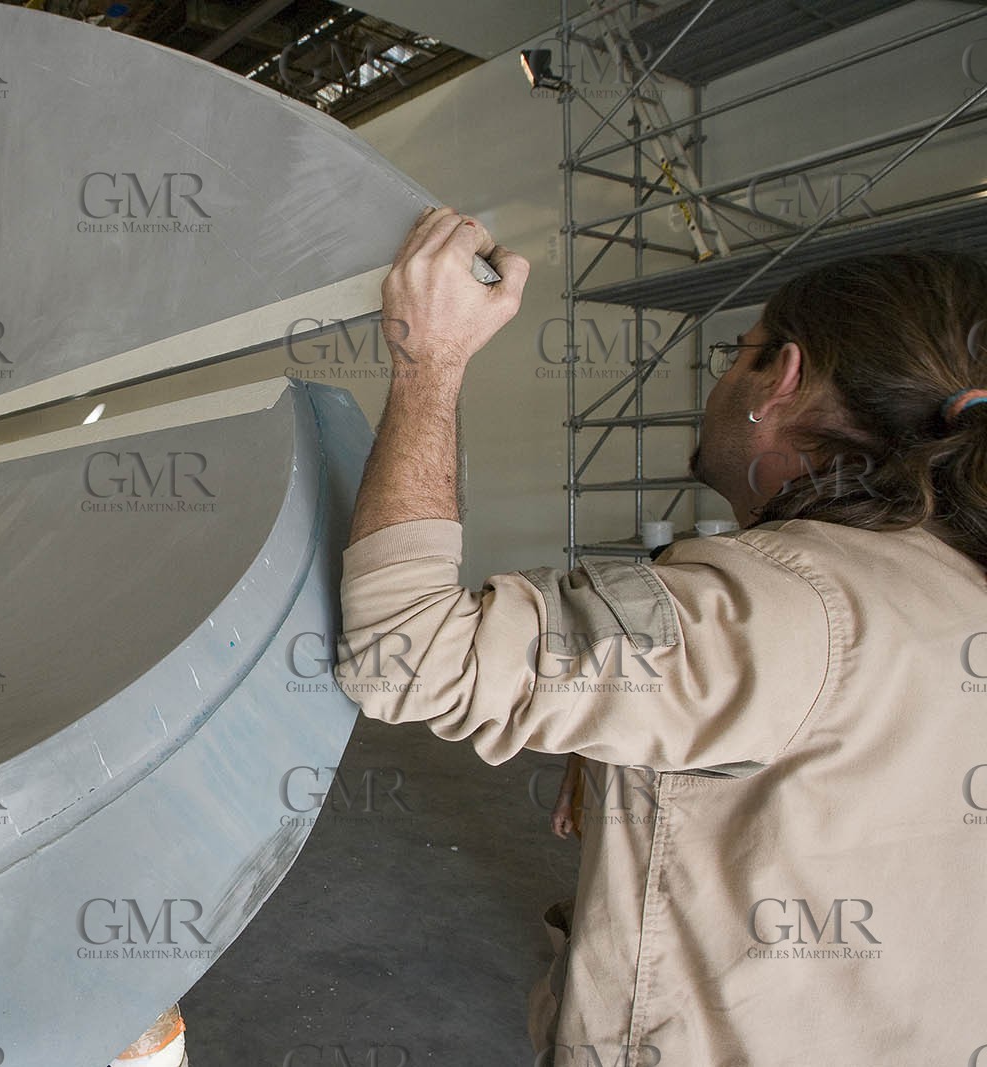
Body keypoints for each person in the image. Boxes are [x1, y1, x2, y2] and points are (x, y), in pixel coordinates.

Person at [335, 206, 987, 1065]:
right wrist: (617, 725)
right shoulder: (949, 577)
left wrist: (431, 359)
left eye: (737, 354)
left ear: (780, 379)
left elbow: (405, 653)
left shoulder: (784, 603)